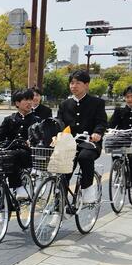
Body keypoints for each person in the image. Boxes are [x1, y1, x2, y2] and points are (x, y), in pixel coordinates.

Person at [57, 70, 108, 201]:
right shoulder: (64, 104)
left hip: (90, 142)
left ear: (86, 85)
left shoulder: (97, 103)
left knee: (85, 157)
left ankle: (87, 189)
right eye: (71, 83)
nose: (73, 86)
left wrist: (97, 132)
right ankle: (58, 206)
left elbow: (101, 122)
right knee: (62, 172)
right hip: (70, 143)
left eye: (77, 83)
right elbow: (59, 122)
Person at [0, 89, 38, 196]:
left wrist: (32, 142)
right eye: (25, 100)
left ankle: (18, 187)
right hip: (9, 151)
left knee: (12, 156)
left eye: (30, 99)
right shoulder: (9, 119)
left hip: (27, 154)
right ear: (17, 103)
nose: (29, 102)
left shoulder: (36, 120)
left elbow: (40, 138)